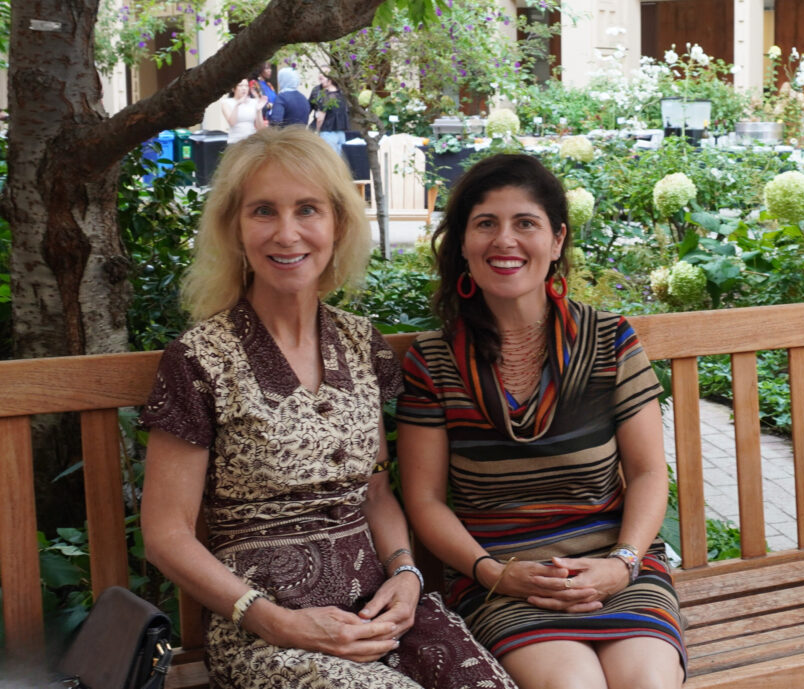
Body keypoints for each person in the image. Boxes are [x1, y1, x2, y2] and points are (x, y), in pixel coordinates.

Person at [139, 127, 517, 689]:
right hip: (267, 631)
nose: (286, 233)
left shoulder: (361, 343)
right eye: (263, 211)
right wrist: (278, 622)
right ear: (234, 227)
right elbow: (166, 534)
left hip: (378, 610)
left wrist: (406, 574)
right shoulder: (200, 359)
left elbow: (376, 492)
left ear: (338, 224)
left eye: (307, 209)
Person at [396, 153, 687, 689]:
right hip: (502, 578)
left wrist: (622, 563)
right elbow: (426, 500)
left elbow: (648, 472)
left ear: (556, 241)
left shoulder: (609, 340)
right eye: (486, 223)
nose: (504, 240)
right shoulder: (433, 361)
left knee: (647, 683)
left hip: (615, 568)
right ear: (463, 244)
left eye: (525, 223)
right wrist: (494, 573)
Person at [309, 73, 349, 156]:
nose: (321, 82)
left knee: (328, 159)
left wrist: (318, 130)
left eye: (323, 79)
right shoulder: (342, 95)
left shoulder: (326, 97)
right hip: (341, 133)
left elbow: (320, 118)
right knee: (339, 160)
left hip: (328, 132)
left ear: (330, 81)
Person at [222, 77, 267, 144]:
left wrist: (259, 110)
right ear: (233, 88)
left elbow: (260, 128)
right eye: (240, 85)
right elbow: (232, 123)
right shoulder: (226, 103)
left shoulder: (254, 102)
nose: (244, 88)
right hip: (235, 142)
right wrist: (237, 105)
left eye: (246, 86)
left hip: (251, 142)